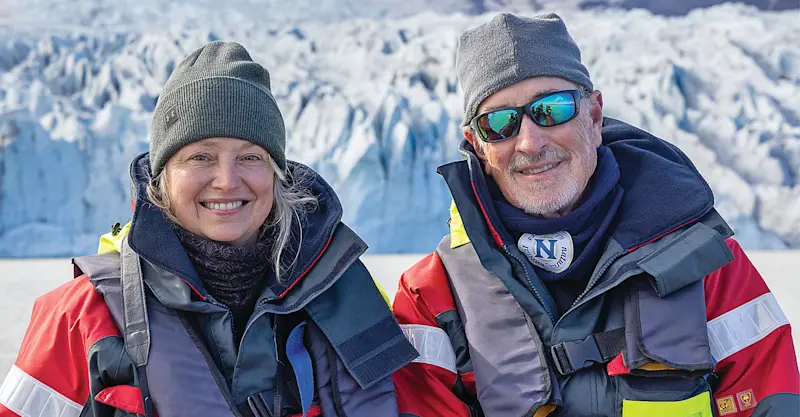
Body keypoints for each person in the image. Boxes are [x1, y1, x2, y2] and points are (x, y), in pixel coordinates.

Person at [391, 13, 799, 417]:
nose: (530, 142)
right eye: (499, 123)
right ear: (477, 145)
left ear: (595, 114)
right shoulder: (431, 297)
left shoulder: (707, 261)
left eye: (551, 108)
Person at [0, 41, 417, 417]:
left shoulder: (350, 297)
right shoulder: (81, 316)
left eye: (251, 157)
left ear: (277, 175)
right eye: (200, 157)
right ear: (162, 178)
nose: (227, 181)